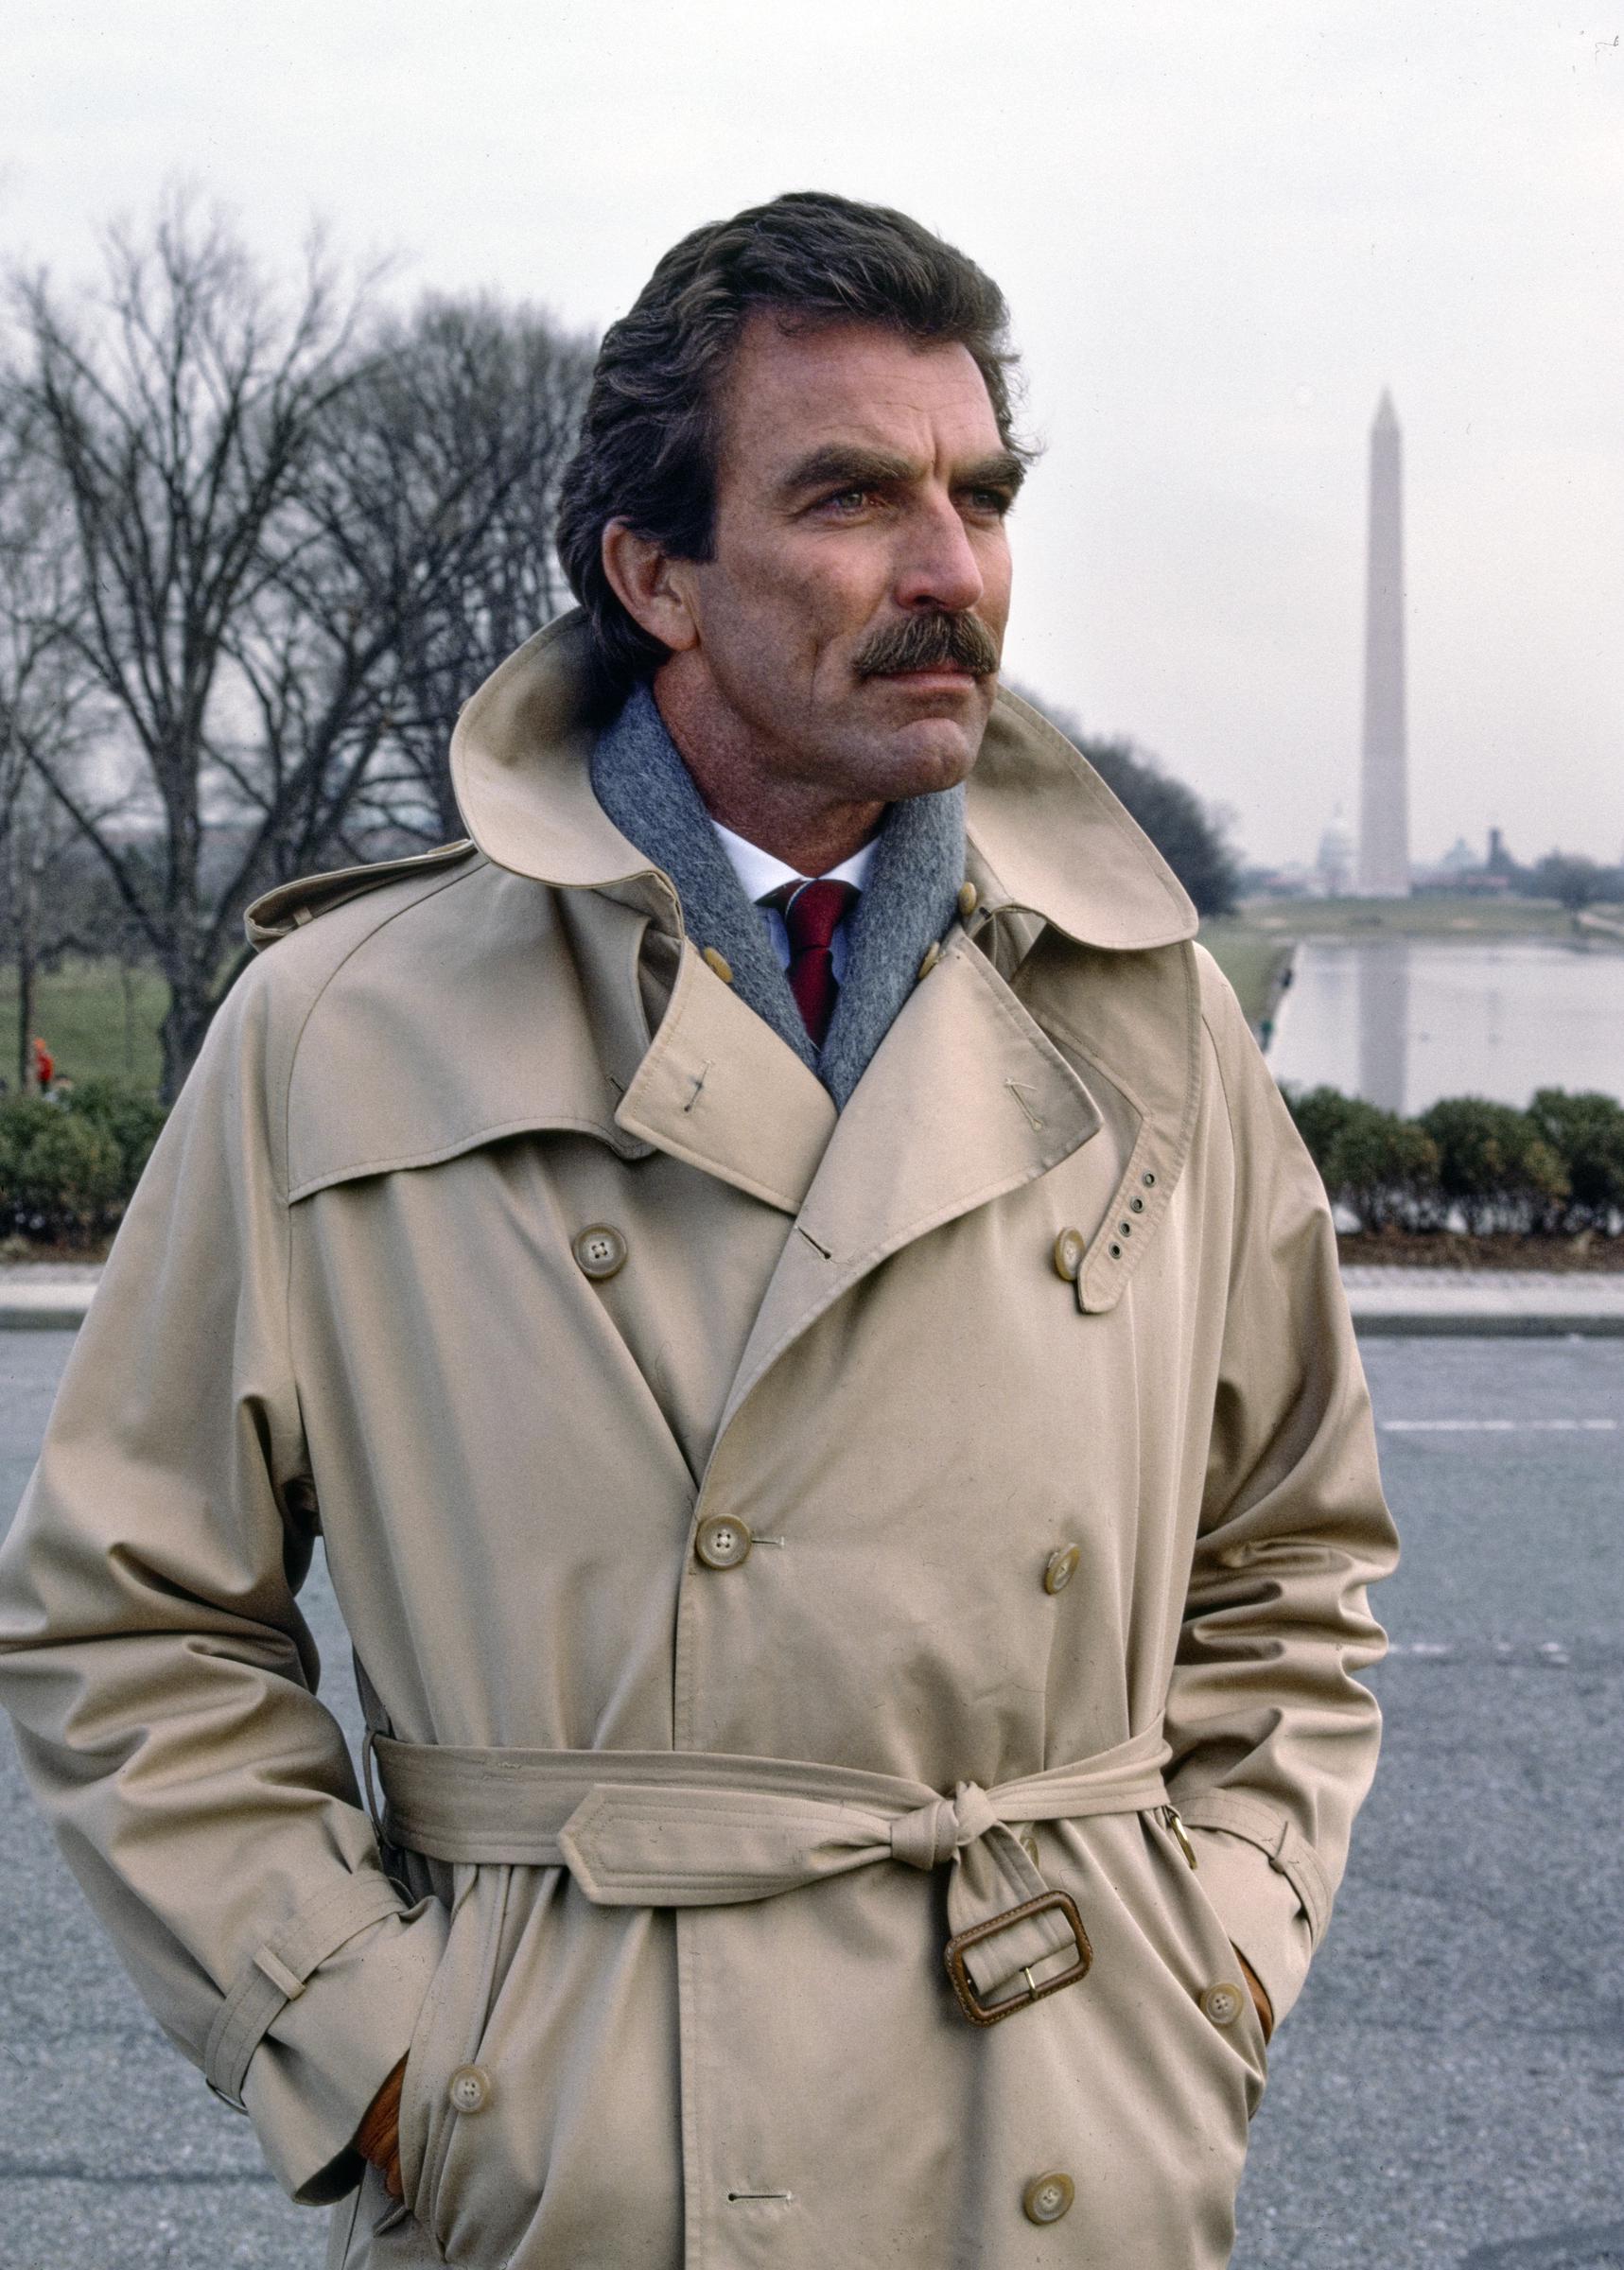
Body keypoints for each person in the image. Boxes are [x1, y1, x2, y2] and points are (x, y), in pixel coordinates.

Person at [0, 192, 1396, 2269]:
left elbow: (1291, 1563)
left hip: (1059, 2131)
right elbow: (133, 1616)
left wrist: (1205, 1972)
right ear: (651, 569)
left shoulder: (1152, 1009)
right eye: (851, 497)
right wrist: (399, 2052)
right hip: (585, 2169)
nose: (949, 571)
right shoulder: (343, 1028)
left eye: (979, 497)